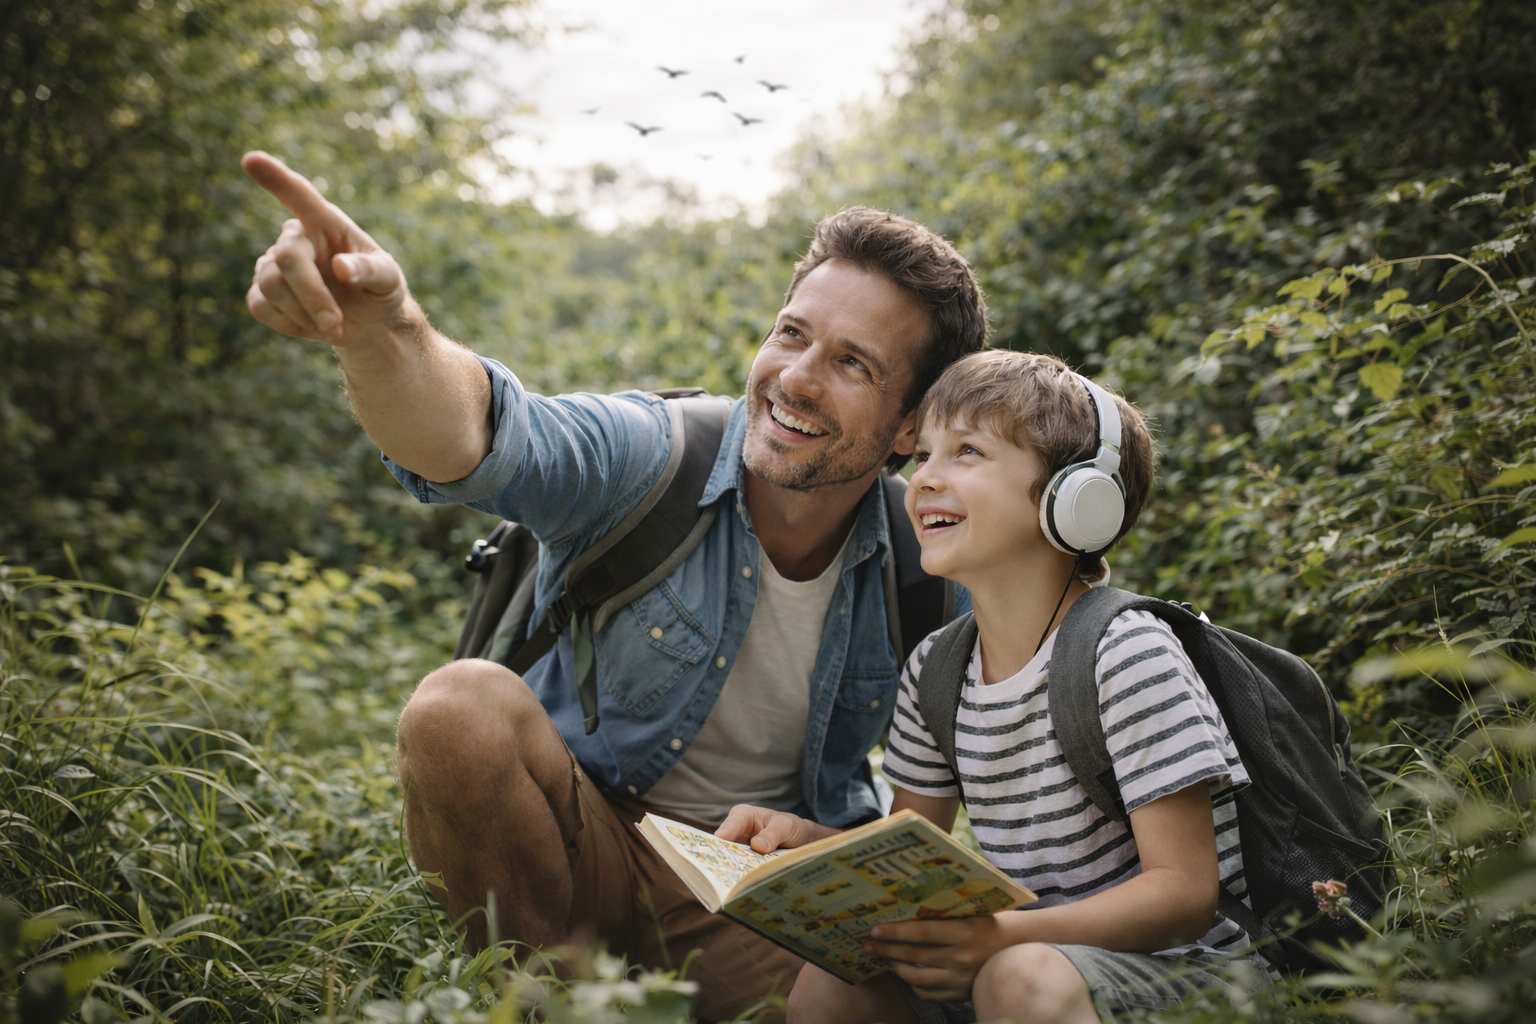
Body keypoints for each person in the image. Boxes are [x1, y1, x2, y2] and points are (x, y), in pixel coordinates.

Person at [239, 150, 988, 1021]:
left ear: (907, 430)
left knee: (909, 1005)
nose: (794, 378)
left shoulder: (934, 565)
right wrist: (382, 328)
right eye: (791, 333)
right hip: (573, 846)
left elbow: (960, 814)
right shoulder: (654, 456)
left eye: (853, 364)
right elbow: (478, 433)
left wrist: (828, 846)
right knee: (458, 710)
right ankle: (545, 1003)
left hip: (755, 893)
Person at [718, 350, 1268, 1023]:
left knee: (1018, 977)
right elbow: (904, 863)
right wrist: (806, 845)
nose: (924, 480)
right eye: (922, 455)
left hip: (1184, 972)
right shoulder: (936, 672)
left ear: (1077, 499)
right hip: (1025, 959)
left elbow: (1184, 894)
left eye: (967, 452)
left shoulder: (1126, 652)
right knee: (839, 981)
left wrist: (1002, 937)